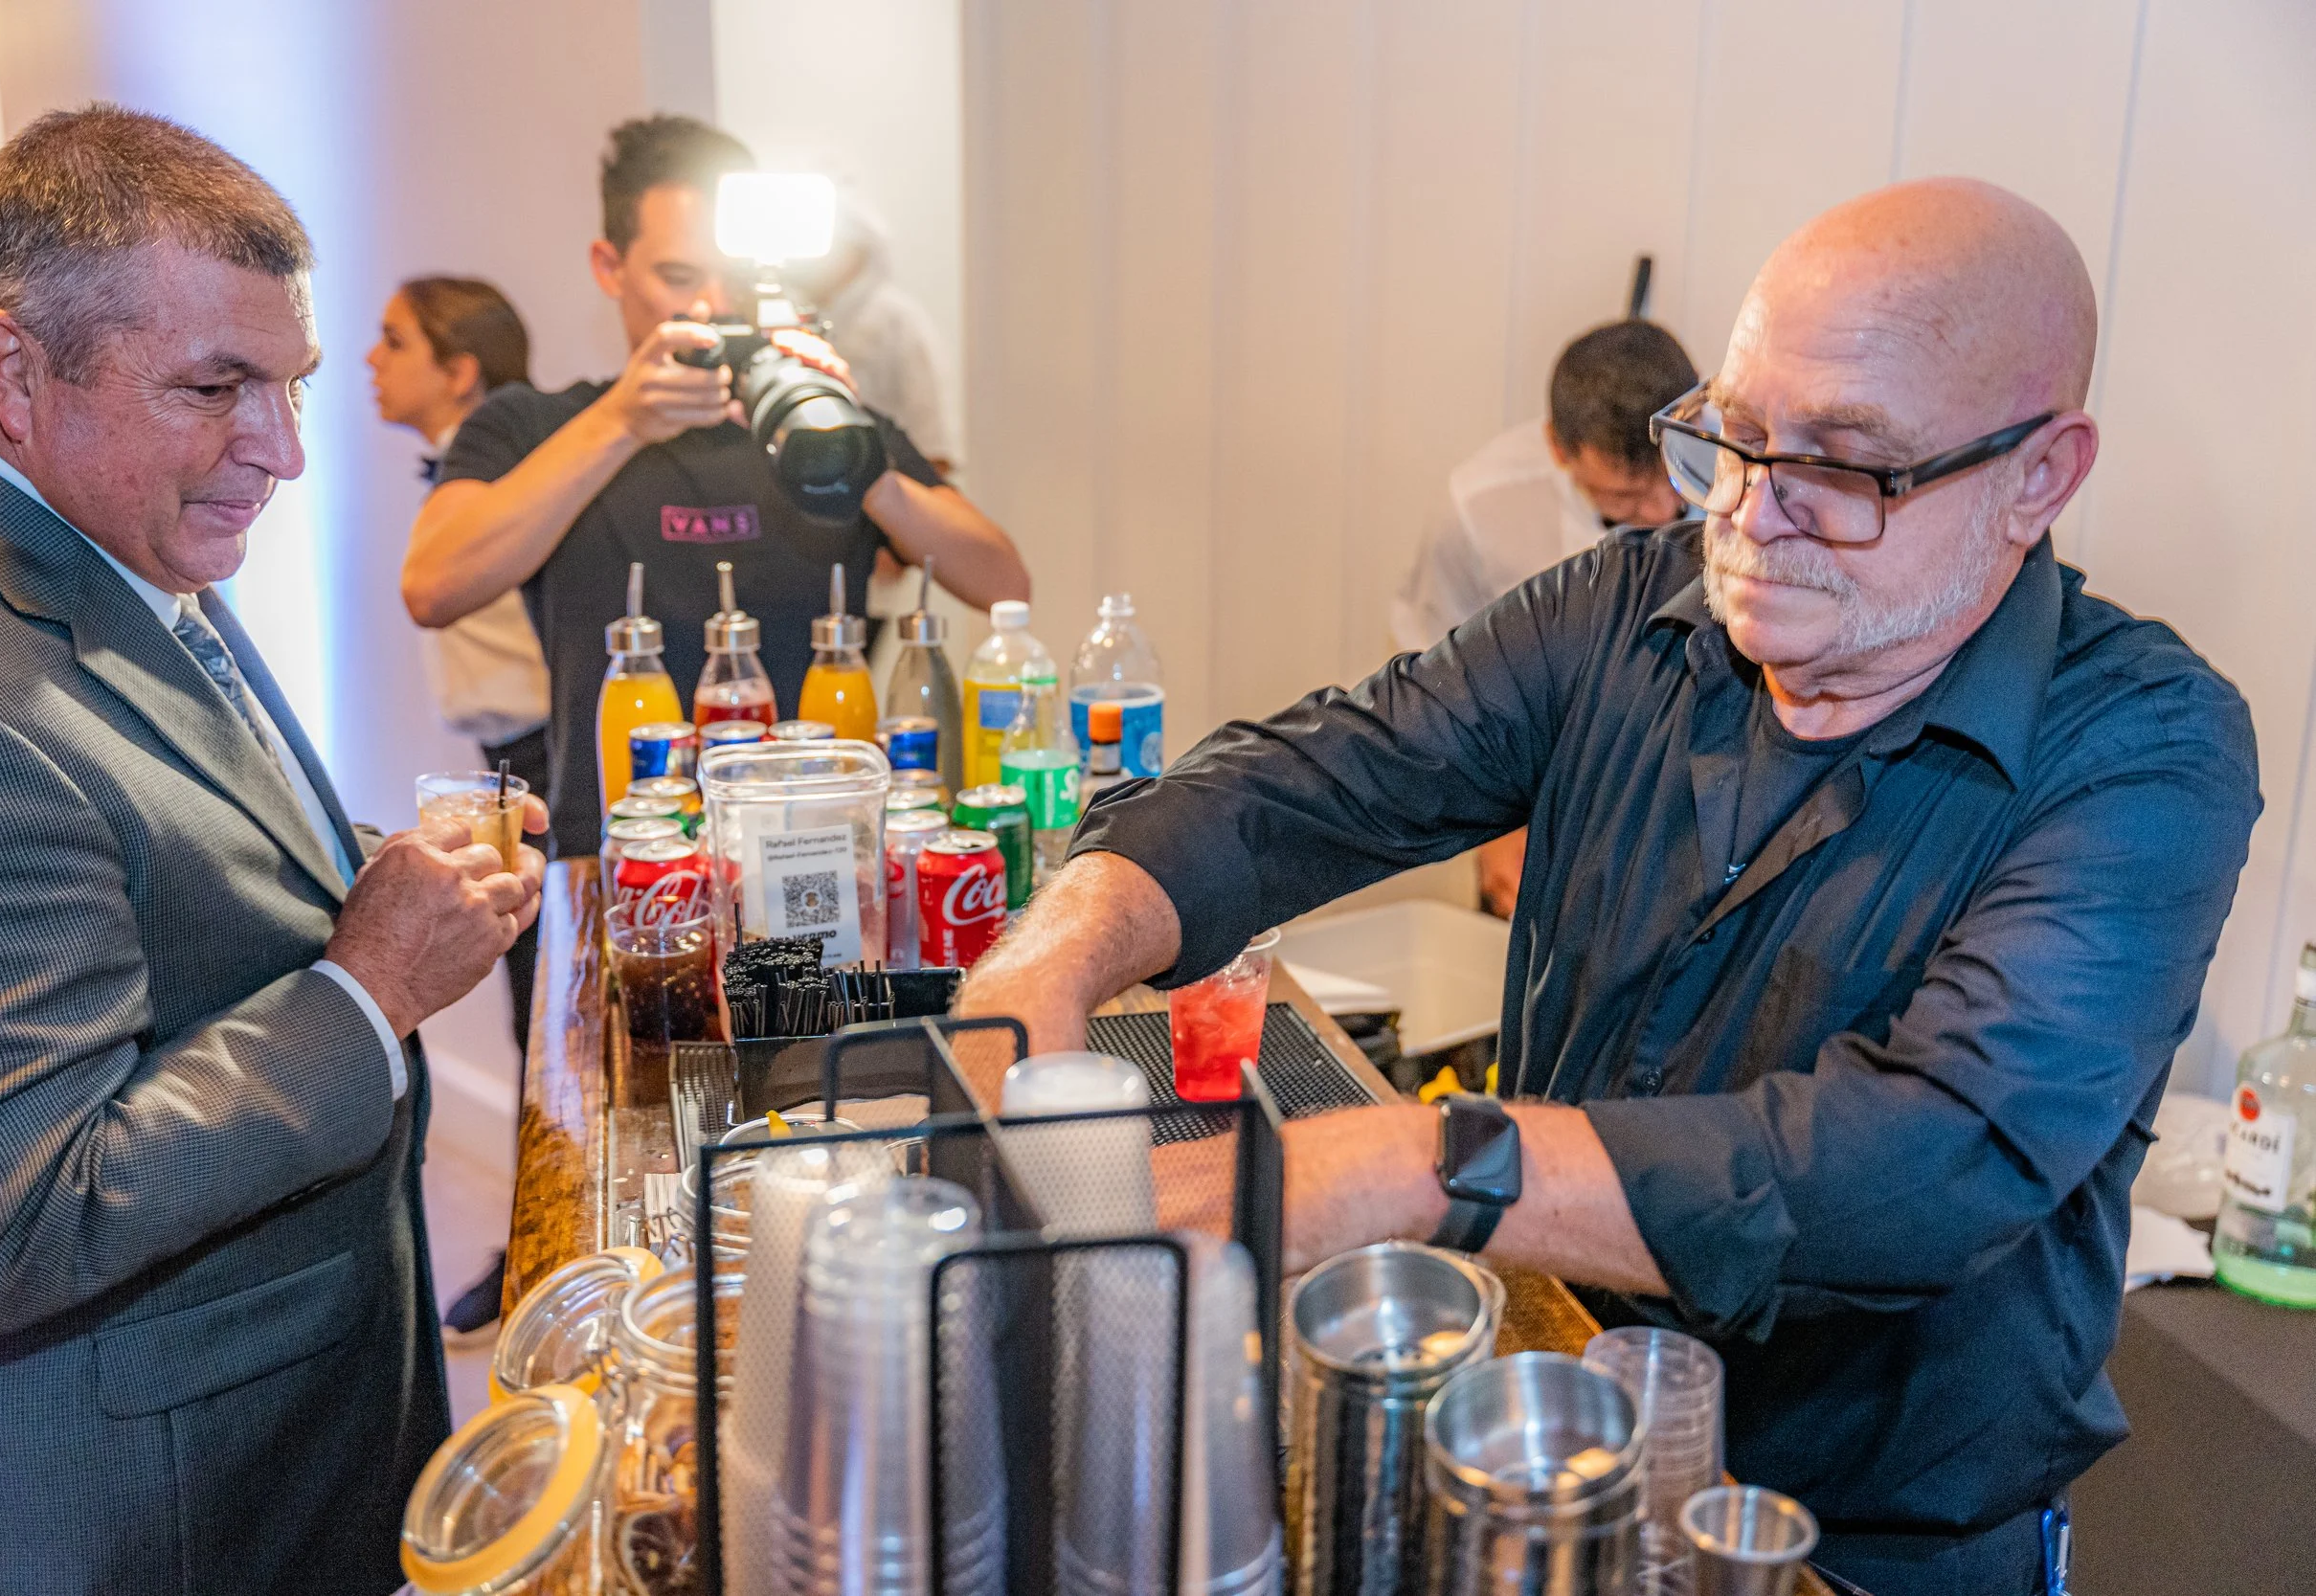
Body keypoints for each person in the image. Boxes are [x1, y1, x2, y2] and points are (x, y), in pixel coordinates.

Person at [963, 178, 2260, 1595]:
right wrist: (1051, 952)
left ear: (2039, 475)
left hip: (1865, 1544)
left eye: (1844, 468)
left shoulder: (2145, 748)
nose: (1752, 513)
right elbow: (1314, 779)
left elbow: (1929, 1159)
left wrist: (1401, 1165)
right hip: (1539, 1433)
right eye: (1733, 436)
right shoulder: (1623, 609)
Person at [0, 108, 547, 1594]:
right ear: (15, 370)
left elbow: (159, 866)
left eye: (293, 383)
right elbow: (17, 1216)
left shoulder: (115, 534)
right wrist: (368, 989)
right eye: (216, 388)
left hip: (291, 1444)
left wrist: (379, 872)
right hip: (163, 1515)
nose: (284, 450)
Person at [402, 116, 1028, 859]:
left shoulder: (818, 428)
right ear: (609, 266)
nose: (712, 305)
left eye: (735, 277)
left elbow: (1002, 582)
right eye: (679, 276)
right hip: (619, 857)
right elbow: (432, 586)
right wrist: (623, 422)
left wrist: (853, 453)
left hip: (816, 851)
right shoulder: (536, 425)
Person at [369, 276, 545, 1343]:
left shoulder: (515, 482)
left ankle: (544, 1253)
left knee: (551, 1010)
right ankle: (533, 1246)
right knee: (530, 1002)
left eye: (395, 341)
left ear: (461, 368)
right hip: (506, 754)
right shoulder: (461, 478)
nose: (369, 360)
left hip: (555, 759)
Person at [1392, 318, 1698, 916]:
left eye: (1674, 476)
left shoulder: (1750, 465)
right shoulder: (1479, 508)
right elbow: (1437, 691)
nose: (1664, 510)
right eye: (1624, 497)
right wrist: (1493, 830)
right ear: (1559, 449)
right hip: (1530, 818)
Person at [788, 193, 960, 476]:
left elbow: (934, 439)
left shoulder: (897, 320)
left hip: (886, 486)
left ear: (856, 252)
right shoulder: (792, 317)